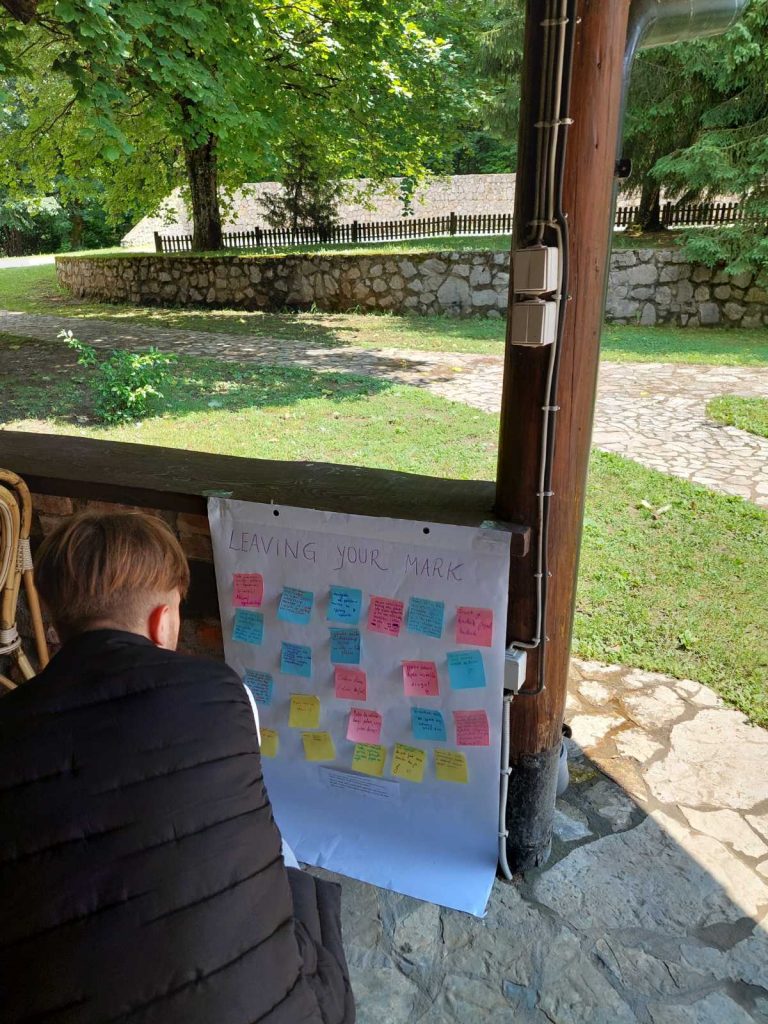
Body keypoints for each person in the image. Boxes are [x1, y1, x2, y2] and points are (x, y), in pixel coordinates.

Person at [0, 510, 355, 1024]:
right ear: (162, 621)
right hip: (278, 1010)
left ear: (57, 625)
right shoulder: (224, 691)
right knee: (282, 854)